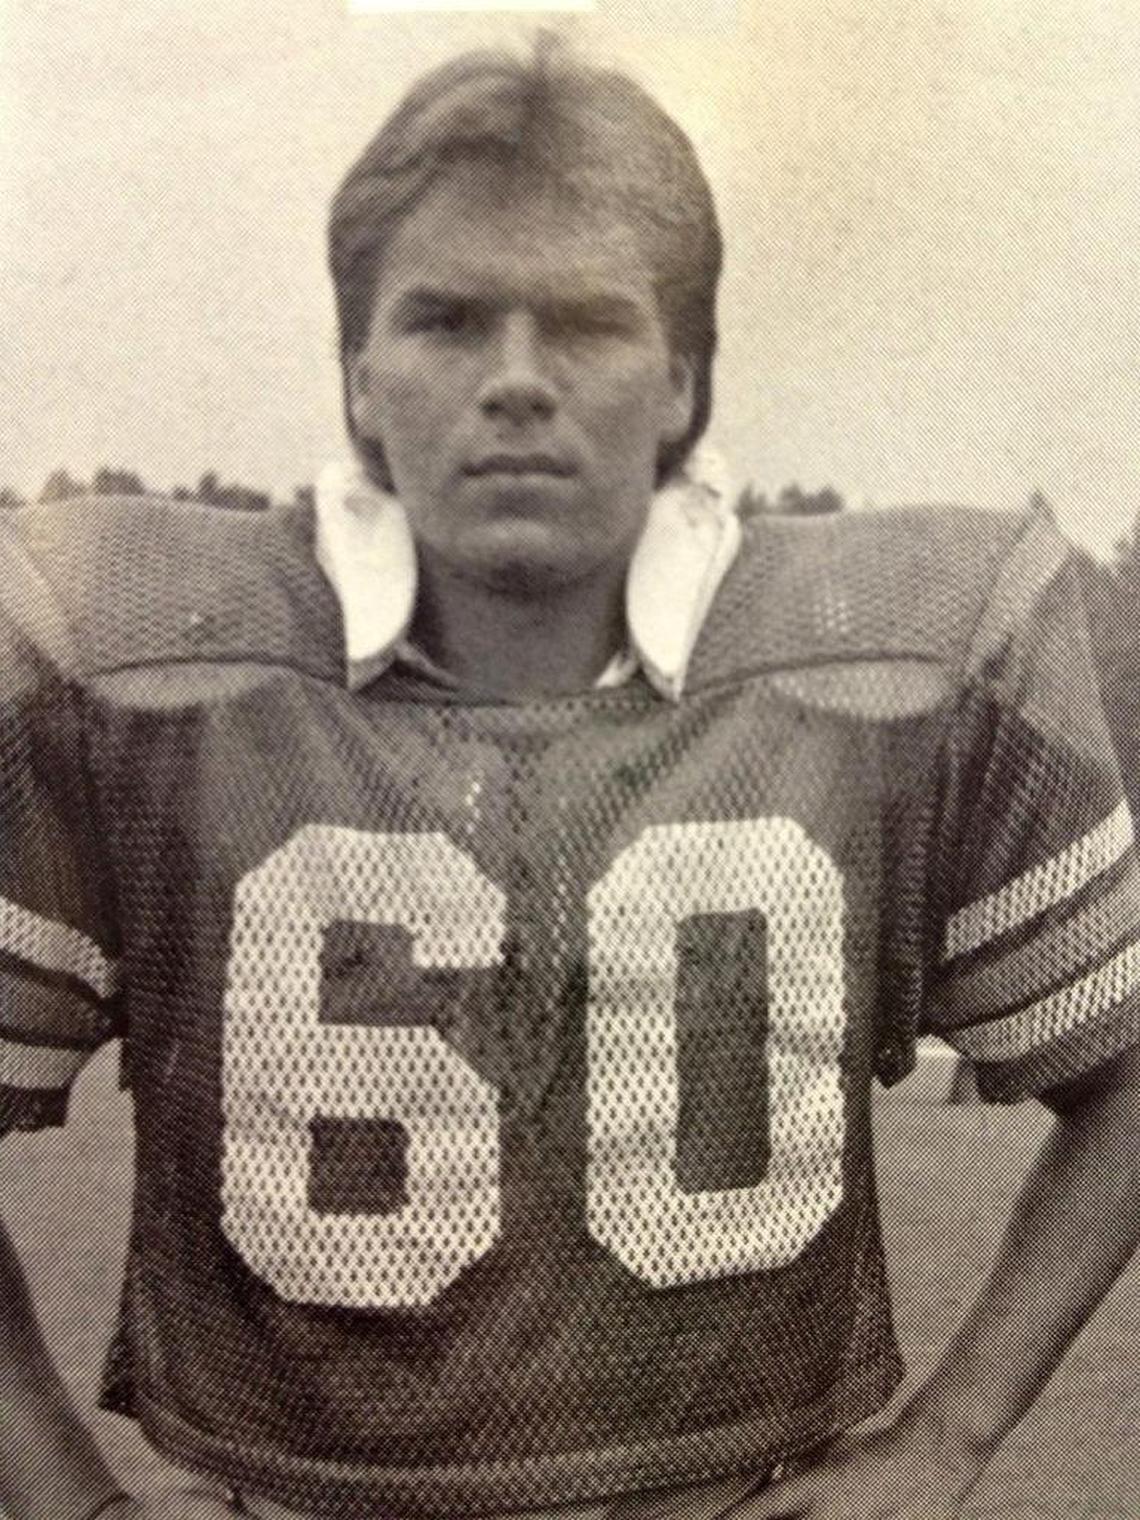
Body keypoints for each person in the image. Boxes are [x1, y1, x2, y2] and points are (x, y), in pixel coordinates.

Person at [2, 42, 1140, 1520]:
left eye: (591, 323)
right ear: (362, 374)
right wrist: (61, 1498)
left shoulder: (897, 659)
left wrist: (948, 1441)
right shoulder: (142, 662)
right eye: (449, 321)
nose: (518, 382)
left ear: (680, 379)